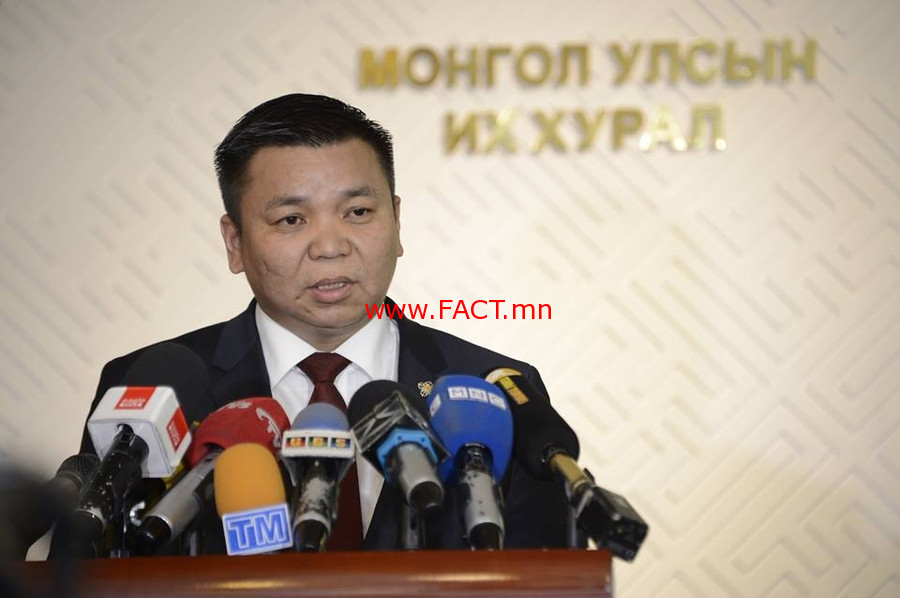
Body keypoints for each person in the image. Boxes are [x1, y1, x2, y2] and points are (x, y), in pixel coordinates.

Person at [71, 93, 573, 553]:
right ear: (235, 242)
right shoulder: (151, 391)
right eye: (291, 219)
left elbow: (546, 576)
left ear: (397, 221)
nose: (331, 246)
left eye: (358, 211)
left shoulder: (493, 390)